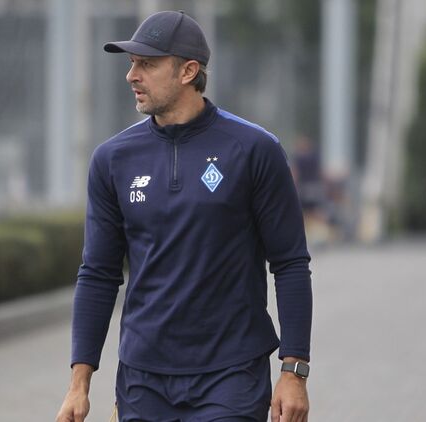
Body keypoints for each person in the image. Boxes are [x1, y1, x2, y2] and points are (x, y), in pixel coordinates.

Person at [56, 10, 313, 422]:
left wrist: (293, 370)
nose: (132, 76)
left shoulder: (254, 150)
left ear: (188, 71)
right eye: (131, 63)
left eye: (147, 64)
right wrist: (78, 383)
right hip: (143, 379)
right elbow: (98, 274)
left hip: (232, 374)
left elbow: (290, 263)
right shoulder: (112, 159)